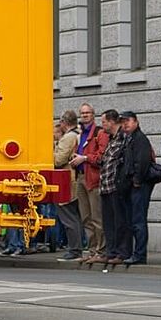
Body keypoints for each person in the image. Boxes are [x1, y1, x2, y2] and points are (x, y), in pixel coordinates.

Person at [69, 103, 108, 263]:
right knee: (85, 217)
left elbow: (102, 156)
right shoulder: (80, 134)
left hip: (93, 178)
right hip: (80, 177)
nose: (85, 115)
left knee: (97, 217)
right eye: (82, 113)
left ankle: (101, 250)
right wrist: (74, 158)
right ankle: (92, 250)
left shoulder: (99, 133)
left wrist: (84, 158)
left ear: (93, 114)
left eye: (88, 113)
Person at [119, 111, 153, 265]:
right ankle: (135, 252)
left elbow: (142, 161)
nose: (125, 124)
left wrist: (137, 180)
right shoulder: (129, 138)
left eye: (128, 121)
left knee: (139, 220)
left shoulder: (140, 139)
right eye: (123, 121)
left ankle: (140, 254)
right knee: (133, 220)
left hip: (139, 185)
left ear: (136, 122)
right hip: (131, 185)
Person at [97, 110, 129, 266]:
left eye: (104, 122)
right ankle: (110, 251)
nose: (102, 125)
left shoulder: (123, 137)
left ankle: (121, 252)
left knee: (120, 221)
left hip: (116, 186)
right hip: (105, 186)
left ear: (111, 122)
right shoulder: (111, 139)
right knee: (108, 222)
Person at [52, 109, 84, 262]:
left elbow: (58, 160)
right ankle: (76, 248)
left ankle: (74, 250)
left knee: (68, 217)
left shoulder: (68, 138)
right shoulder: (77, 134)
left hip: (66, 181)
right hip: (73, 180)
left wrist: (49, 151)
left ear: (64, 123)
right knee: (75, 216)